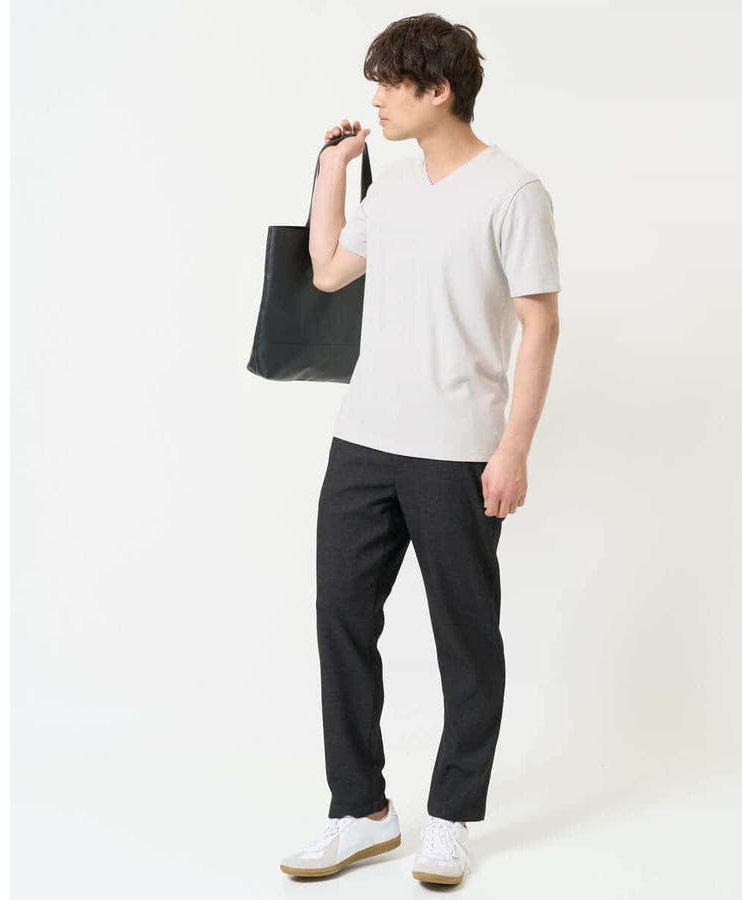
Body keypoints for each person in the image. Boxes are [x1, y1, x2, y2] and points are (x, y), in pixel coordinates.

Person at [279, 13, 561, 887]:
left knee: (465, 638)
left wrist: (513, 450)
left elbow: (541, 324)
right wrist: (333, 170)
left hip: (459, 450)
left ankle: (451, 818)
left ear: (439, 90)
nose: (377, 99)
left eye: (391, 83)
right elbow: (329, 270)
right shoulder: (393, 186)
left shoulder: (514, 191)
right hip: (363, 440)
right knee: (340, 620)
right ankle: (361, 812)